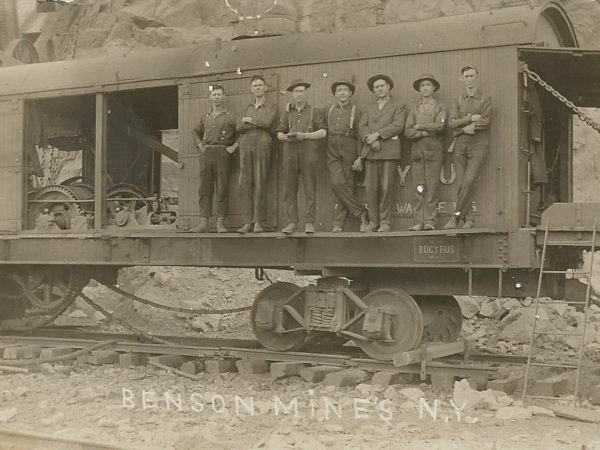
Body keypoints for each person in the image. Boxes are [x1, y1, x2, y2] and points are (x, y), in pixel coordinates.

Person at [355, 74, 406, 232]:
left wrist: (377, 135)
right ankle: (373, 222)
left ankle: (385, 222)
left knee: (386, 187)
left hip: (389, 151)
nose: (380, 89)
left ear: (388, 86)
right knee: (370, 188)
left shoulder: (398, 105)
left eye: (382, 86)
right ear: (373, 90)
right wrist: (370, 139)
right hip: (371, 151)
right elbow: (362, 126)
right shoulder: (369, 108)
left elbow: (398, 125)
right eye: (377, 87)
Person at [444, 65, 492, 229]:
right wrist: (471, 119)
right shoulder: (458, 99)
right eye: (466, 76)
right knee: (461, 183)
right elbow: (451, 123)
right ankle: (469, 219)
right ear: (461, 79)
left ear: (477, 77)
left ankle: (455, 217)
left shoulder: (485, 97)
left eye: (472, 76)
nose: (469, 79)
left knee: (469, 181)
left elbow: (485, 121)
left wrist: (469, 126)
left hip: (478, 145)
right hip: (460, 145)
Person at [277, 79, 326, 234]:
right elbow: (279, 133)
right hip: (290, 154)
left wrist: (304, 135)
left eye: (301, 91)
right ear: (292, 94)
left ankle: (309, 222)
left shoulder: (314, 111)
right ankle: (291, 222)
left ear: (305, 93)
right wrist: (288, 137)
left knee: (310, 188)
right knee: (289, 189)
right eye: (296, 92)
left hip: (309, 153)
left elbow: (323, 132)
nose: (299, 94)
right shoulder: (287, 112)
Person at [189, 84, 238, 233]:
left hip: (223, 154)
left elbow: (242, 132)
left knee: (222, 188)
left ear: (224, 97)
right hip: (206, 154)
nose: (217, 97)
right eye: (214, 95)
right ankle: (204, 222)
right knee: (204, 188)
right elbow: (195, 132)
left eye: (219, 95)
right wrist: (199, 144)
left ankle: (220, 222)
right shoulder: (206, 117)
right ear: (210, 97)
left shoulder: (231, 116)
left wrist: (234, 147)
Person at [326, 79, 369, 232]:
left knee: (348, 184)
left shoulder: (356, 111)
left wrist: (360, 157)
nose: (342, 92)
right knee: (337, 182)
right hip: (332, 149)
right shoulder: (328, 109)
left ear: (350, 93)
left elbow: (361, 134)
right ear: (335, 93)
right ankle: (361, 212)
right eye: (339, 90)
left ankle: (338, 223)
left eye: (345, 90)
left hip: (350, 147)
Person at [405, 73, 447, 231]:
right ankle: (418, 222)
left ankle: (430, 221)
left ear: (434, 87)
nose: (425, 88)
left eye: (428, 85)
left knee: (432, 187)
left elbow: (440, 126)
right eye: (422, 86)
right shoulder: (414, 108)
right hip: (417, 153)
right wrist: (424, 132)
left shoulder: (440, 106)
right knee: (419, 188)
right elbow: (407, 131)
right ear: (419, 89)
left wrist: (419, 126)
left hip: (434, 152)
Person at [236, 75, 278, 233]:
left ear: (265, 88)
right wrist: (253, 122)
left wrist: (250, 120)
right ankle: (247, 222)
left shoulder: (271, 105)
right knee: (245, 182)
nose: (258, 87)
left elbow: (268, 123)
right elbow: (239, 127)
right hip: (246, 144)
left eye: (261, 84)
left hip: (263, 142)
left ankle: (258, 221)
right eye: (255, 85)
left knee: (260, 180)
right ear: (251, 89)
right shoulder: (246, 107)